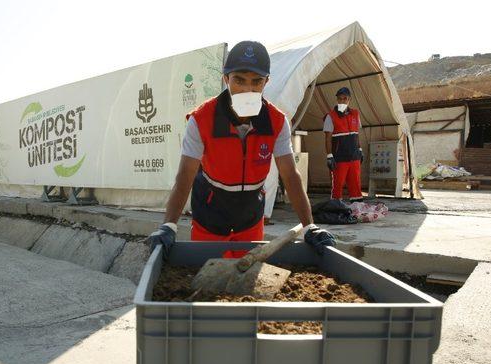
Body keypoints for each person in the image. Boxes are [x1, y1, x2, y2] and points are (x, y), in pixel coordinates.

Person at [147, 41, 335, 258]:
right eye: (239, 80)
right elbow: (185, 176)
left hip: (250, 214)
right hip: (211, 211)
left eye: (256, 82)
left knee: (245, 275)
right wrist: (169, 225)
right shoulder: (201, 120)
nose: (248, 89)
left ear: (267, 81)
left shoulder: (276, 122)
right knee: (207, 279)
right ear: (226, 78)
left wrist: (308, 226)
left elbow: (290, 175)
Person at [324, 87, 364, 202]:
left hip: (354, 156)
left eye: (345, 99)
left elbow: (357, 134)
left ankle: (357, 208)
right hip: (339, 157)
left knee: (355, 184)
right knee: (338, 184)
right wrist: (329, 156)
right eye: (340, 99)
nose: (342, 101)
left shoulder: (355, 114)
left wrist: (360, 149)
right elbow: (327, 138)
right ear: (337, 100)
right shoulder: (330, 116)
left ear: (349, 100)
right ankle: (335, 208)